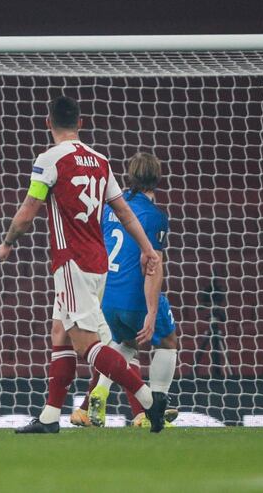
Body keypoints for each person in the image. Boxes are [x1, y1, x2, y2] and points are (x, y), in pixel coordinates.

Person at [0, 96, 167, 433]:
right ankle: (49, 417)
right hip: (97, 263)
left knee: (85, 344)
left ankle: (149, 400)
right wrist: (148, 249)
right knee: (59, 333)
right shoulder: (101, 161)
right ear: (81, 123)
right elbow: (123, 211)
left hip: (71, 261)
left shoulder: (48, 160)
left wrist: (7, 243)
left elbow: (29, 209)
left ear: (48, 123)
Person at [69, 152, 178, 428]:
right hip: (134, 297)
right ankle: (157, 405)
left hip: (108, 296)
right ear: (158, 178)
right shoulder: (155, 216)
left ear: (129, 177)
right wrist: (152, 311)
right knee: (168, 342)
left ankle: (100, 392)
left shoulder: (109, 209)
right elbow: (153, 267)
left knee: (125, 344)